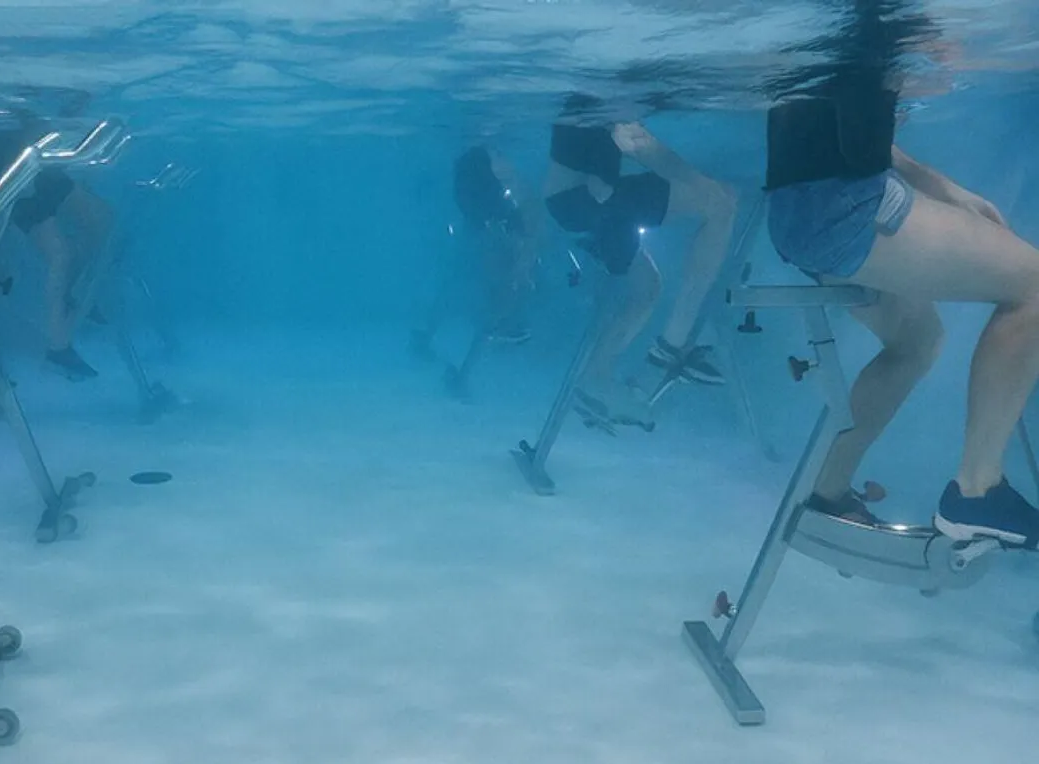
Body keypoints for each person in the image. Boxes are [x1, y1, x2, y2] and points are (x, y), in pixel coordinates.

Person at [765, 0, 1039, 545]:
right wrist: (920, 60)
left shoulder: (836, 24)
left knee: (917, 341)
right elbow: (854, 139)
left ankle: (827, 489)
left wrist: (944, 188)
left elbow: (834, 126)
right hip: (840, 210)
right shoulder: (873, 17)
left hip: (802, 213)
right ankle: (977, 493)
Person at [543, 96, 738, 420]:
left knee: (646, 288)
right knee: (723, 203)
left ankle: (595, 378)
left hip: (575, 205)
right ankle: (672, 345)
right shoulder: (608, 96)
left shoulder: (595, 92)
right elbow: (643, 147)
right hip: (592, 201)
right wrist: (705, 185)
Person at [0, 105, 116, 382]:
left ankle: (69, 292)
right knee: (59, 254)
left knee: (103, 217)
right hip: (8, 165)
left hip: (40, 161)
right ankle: (58, 349)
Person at [411, 145, 544, 358]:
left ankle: (430, 338)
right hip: (488, 228)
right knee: (473, 279)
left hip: (486, 226)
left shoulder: (485, 189)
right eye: (499, 154)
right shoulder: (499, 190)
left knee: (460, 279)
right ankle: (487, 330)